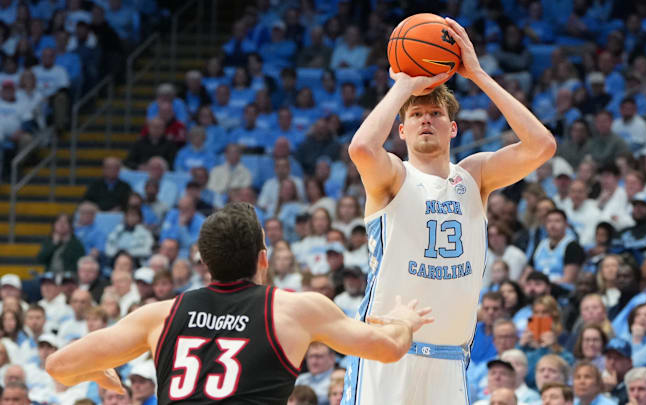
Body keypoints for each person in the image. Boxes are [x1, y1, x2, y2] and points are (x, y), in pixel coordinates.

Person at [342, 17, 555, 404]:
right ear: (401, 130)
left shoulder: (474, 175)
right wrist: (404, 86)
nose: (426, 118)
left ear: (452, 129)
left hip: (450, 358)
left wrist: (477, 75)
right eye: (416, 114)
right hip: (388, 351)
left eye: (436, 113)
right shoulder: (392, 175)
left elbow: (541, 145)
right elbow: (360, 149)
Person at [46, 202, 434, 404]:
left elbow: (58, 367)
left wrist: (94, 372)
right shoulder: (295, 310)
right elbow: (388, 350)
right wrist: (403, 321)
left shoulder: (159, 315)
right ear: (263, 259)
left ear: (204, 260)